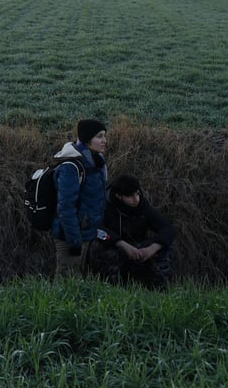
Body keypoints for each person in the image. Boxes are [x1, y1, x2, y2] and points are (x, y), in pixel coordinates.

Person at [88, 175, 175, 290]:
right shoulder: (105, 206)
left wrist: (152, 248)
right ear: (118, 196)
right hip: (116, 248)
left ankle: (159, 287)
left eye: (137, 193)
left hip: (139, 248)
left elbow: (168, 228)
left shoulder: (143, 207)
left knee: (165, 246)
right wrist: (121, 243)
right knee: (98, 246)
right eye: (130, 196)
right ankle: (110, 287)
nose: (135, 199)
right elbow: (97, 229)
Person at [52, 119, 109, 276]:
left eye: (104, 136)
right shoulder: (71, 168)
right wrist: (74, 240)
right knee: (66, 284)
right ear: (86, 139)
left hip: (87, 234)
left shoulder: (96, 163)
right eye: (99, 136)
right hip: (70, 236)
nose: (104, 141)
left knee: (80, 283)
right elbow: (65, 207)